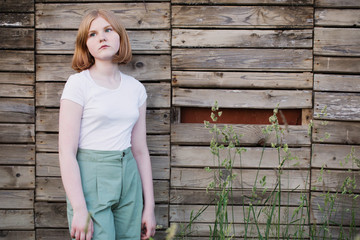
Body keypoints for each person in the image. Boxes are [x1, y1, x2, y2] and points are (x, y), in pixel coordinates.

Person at [58, 9, 156, 240]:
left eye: (108, 30)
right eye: (92, 34)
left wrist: (149, 207)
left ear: (119, 37)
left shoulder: (135, 89)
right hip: (92, 178)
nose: (101, 37)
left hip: (129, 177)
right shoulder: (78, 85)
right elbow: (66, 151)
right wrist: (80, 208)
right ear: (86, 46)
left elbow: (140, 150)